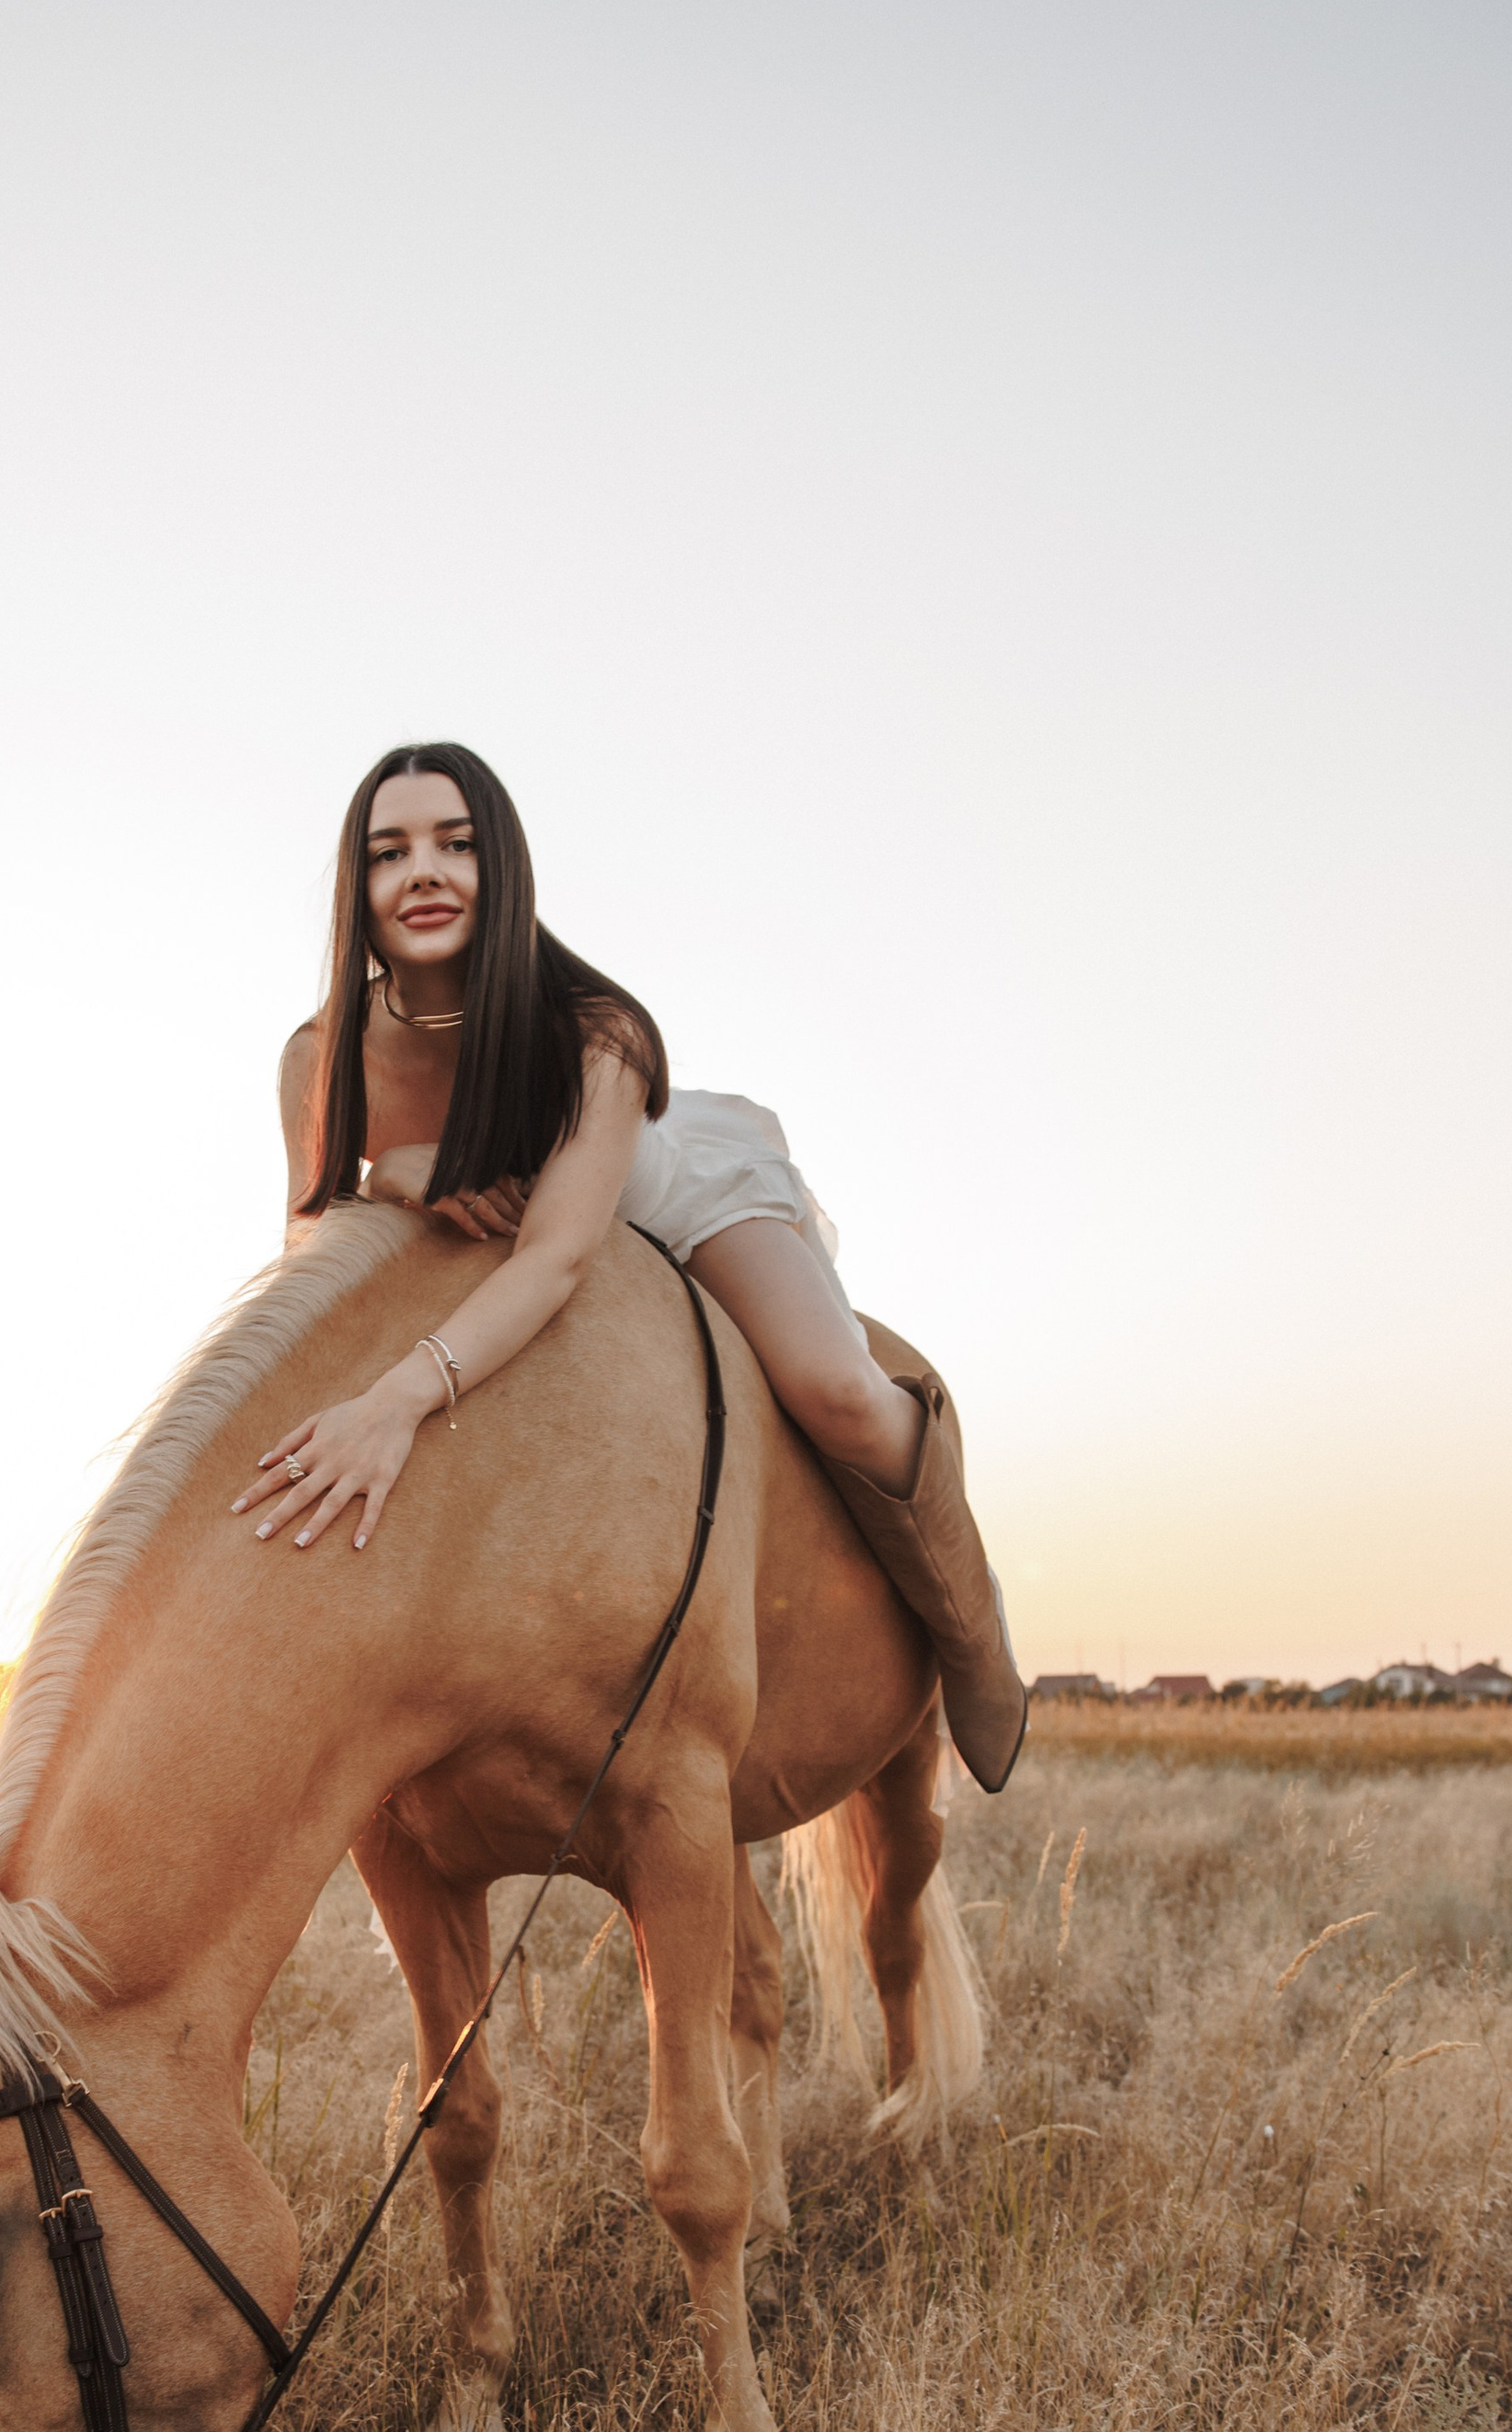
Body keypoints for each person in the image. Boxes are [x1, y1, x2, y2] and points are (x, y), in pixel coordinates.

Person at [238, 741, 1026, 1792]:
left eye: (456, 844)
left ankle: (973, 1633)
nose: (422, 871)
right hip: (493, 1260)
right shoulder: (320, 1053)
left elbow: (557, 1258)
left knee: (837, 1390)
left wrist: (397, 1400)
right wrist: (396, 1178)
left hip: (668, 1209)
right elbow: (308, 1252)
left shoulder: (596, 1034)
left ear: (504, 867)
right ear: (359, 884)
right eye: (390, 852)